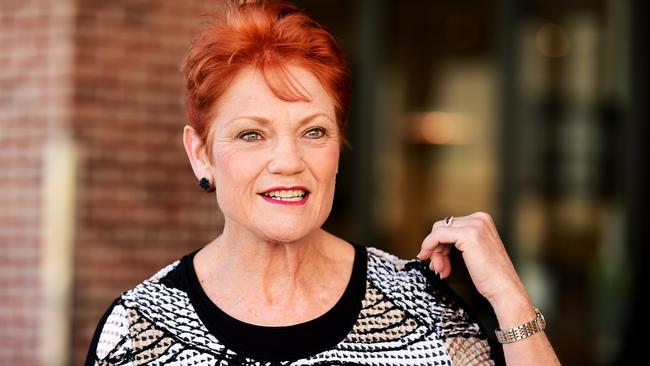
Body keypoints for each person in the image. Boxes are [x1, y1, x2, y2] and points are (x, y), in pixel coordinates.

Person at [85, 1, 560, 365]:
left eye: (314, 131)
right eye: (252, 134)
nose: (288, 162)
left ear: (338, 147)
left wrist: (512, 301)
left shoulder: (423, 309)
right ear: (200, 154)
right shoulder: (140, 328)